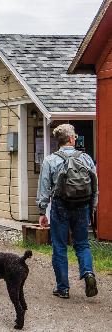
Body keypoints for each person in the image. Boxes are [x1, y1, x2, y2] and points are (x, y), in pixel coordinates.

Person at [37, 124, 98, 299]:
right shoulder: (86, 159)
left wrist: (42, 212)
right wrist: (92, 207)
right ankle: (88, 273)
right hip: (82, 207)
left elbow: (44, 188)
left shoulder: (50, 160)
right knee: (82, 244)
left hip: (60, 206)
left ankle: (63, 288)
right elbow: (95, 186)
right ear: (72, 139)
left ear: (59, 141)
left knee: (59, 246)